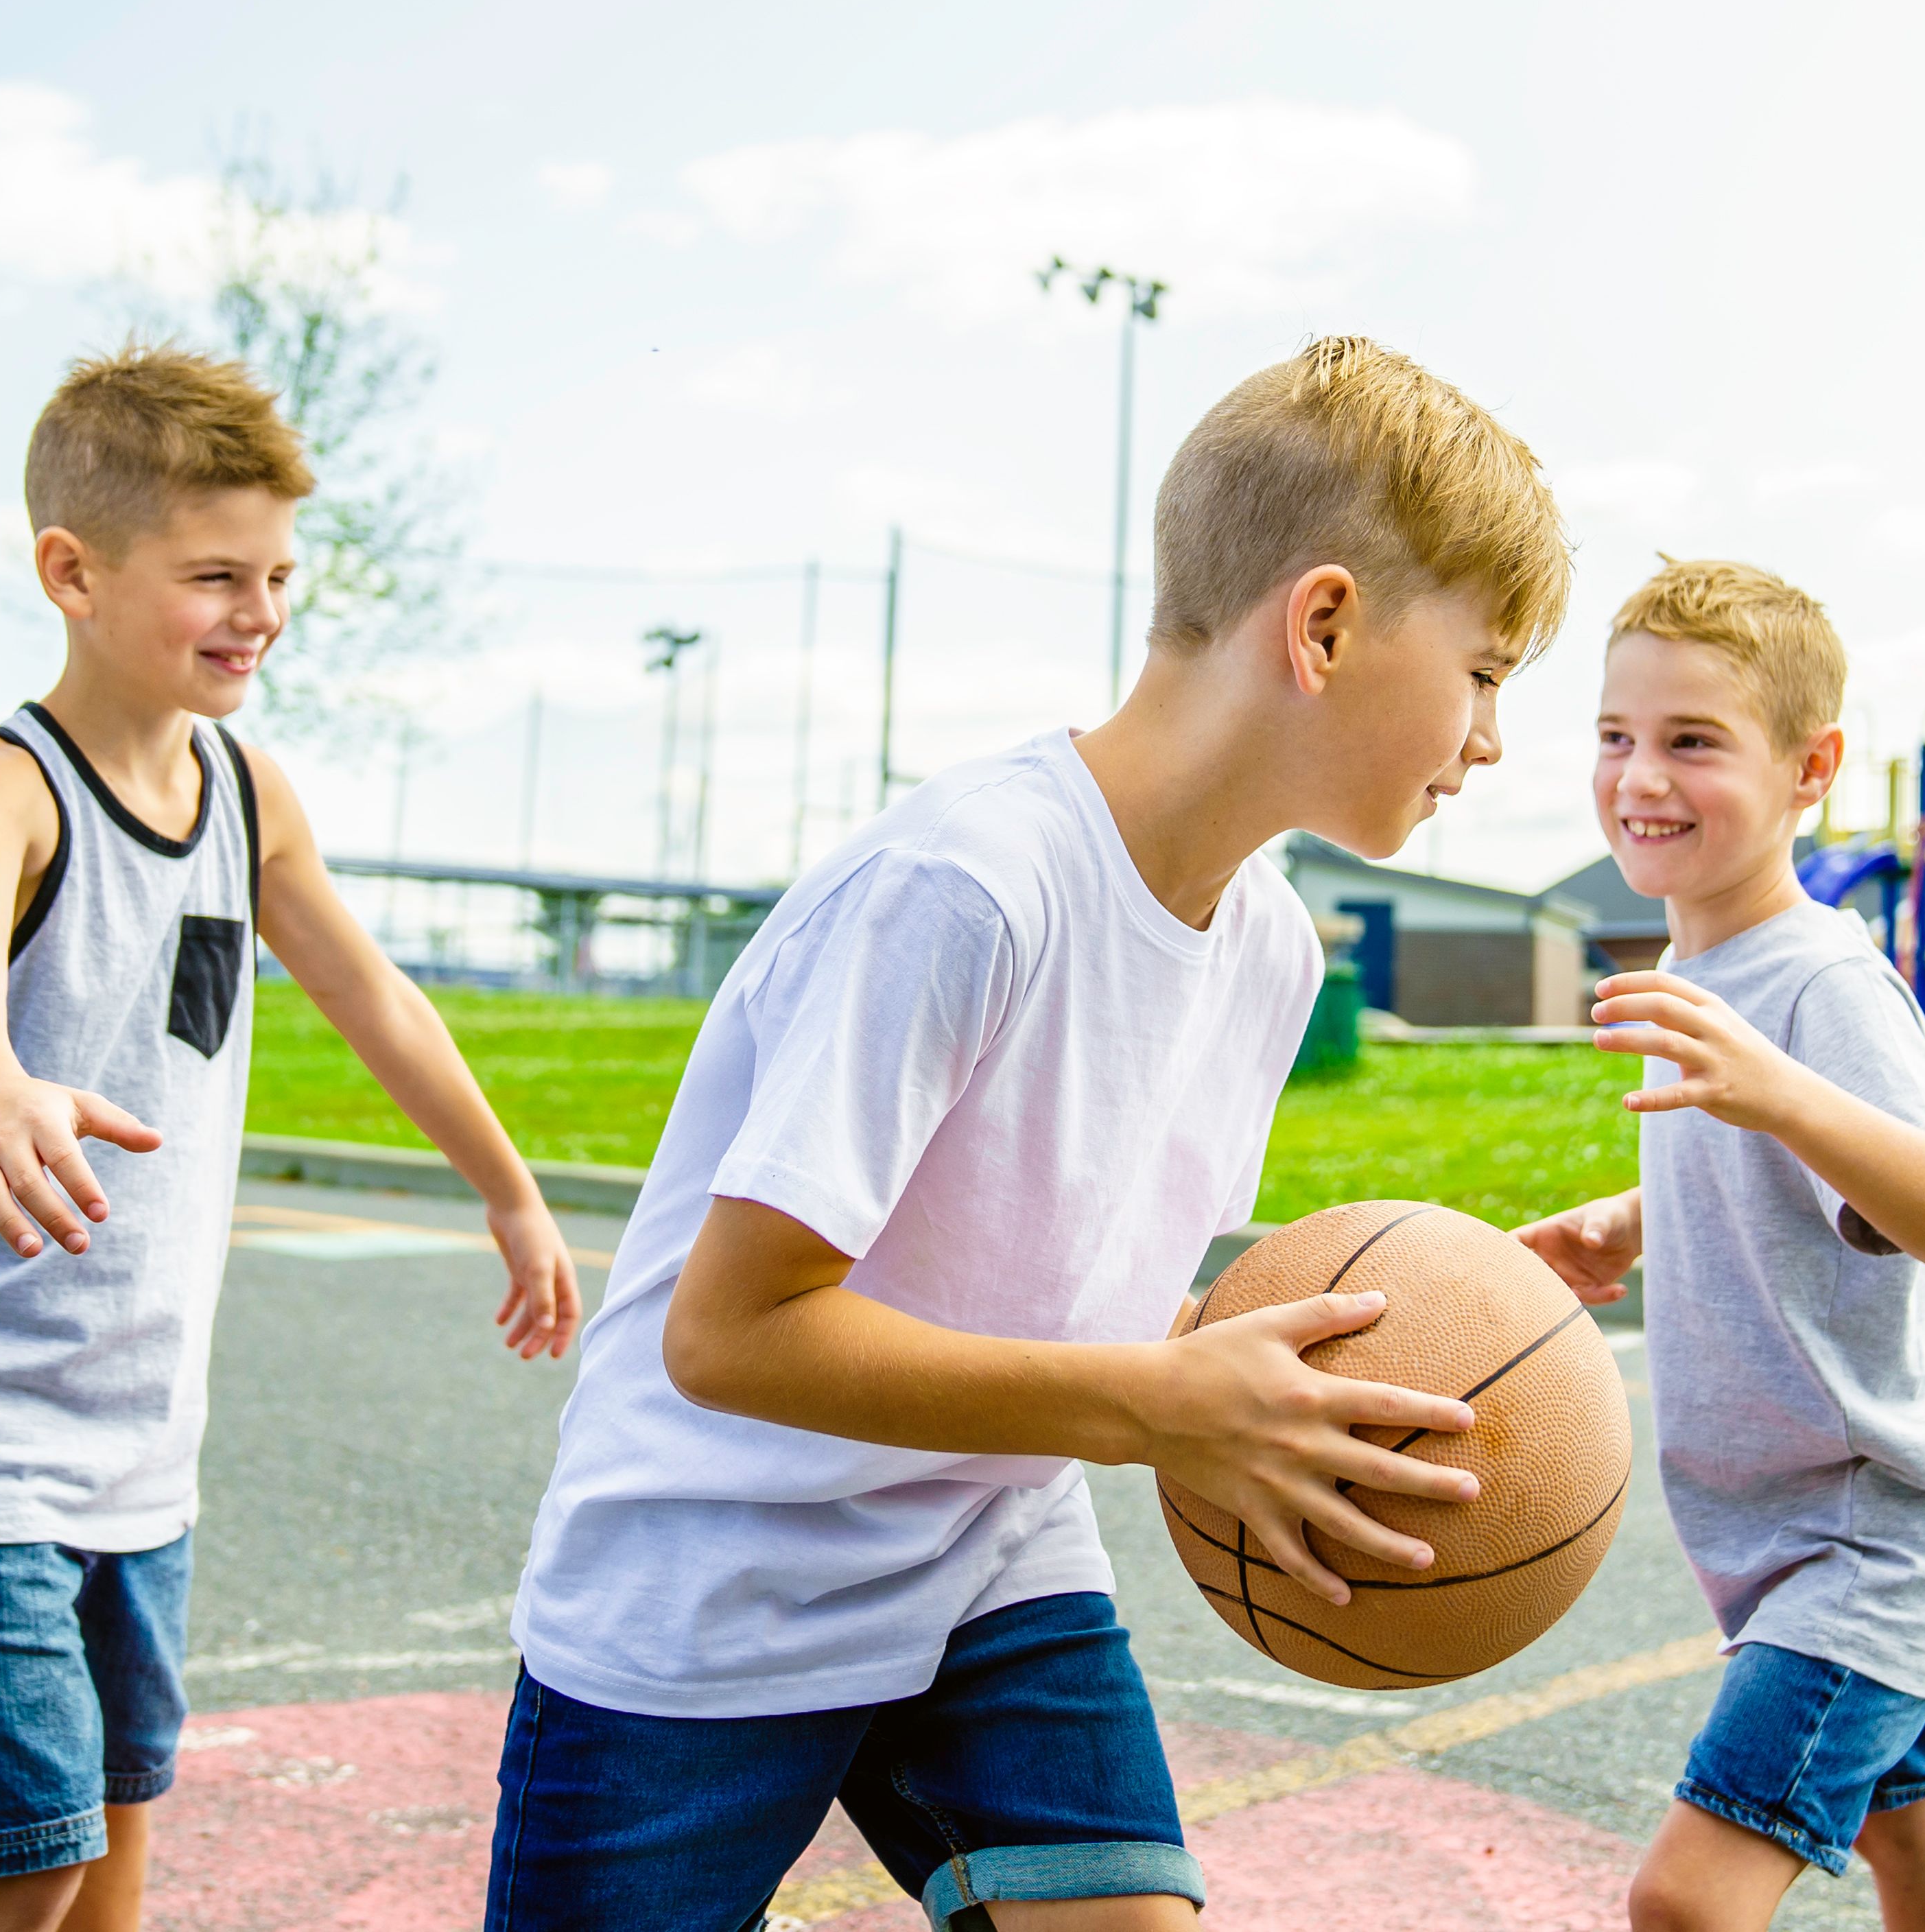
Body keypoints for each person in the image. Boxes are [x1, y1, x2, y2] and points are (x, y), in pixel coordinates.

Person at [492, 338, 1572, 1932]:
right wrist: (1154, 1403)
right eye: (1484, 671)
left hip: (986, 1550)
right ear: (1325, 624)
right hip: (712, 1585)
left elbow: (1081, 1296)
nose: (1490, 737)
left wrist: (1430, 1324)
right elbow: (727, 1335)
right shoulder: (969, 885)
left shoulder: (1268, 951)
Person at [0, 345, 586, 1932]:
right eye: (213, 576)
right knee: (29, 1845)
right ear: (73, 572)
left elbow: (375, 994)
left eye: (276, 577)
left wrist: (511, 1191)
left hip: (142, 1443)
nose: (258, 610)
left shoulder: (250, 793)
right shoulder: (4, 784)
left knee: (117, 1838)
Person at [1514, 556, 1925, 1932]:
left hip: (1869, 1538)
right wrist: (1626, 1221)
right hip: (1780, 1532)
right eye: (1616, 734)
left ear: (1813, 769)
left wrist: (1780, 1088)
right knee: (1916, 1839)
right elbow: (1780, 1172)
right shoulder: (1698, 975)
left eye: (1694, 740)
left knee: (1687, 1900)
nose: (1641, 776)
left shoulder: (1819, 982)